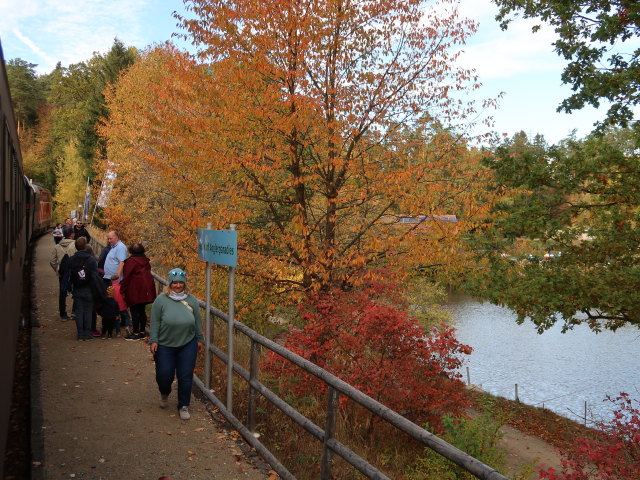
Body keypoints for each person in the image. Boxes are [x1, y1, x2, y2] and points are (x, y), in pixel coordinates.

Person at [149, 269, 204, 420]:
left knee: (186, 375)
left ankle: (184, 405)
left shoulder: (191, 300)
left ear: (185, 283)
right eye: (175, 283)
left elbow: (198, 321)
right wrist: (153, 340)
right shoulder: (161, 300)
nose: (178, 285)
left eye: (181, 282)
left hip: (188, 343)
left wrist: (200, 339)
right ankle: (164, 392)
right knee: (164, 375)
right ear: (170, 283)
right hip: (165, 344)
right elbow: (155, 321)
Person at [121, 243, 156, 341]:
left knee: (134, 310)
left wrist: (122, 289)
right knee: (141, 310)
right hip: (146, 290)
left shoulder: (131, 261)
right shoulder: (146, 261)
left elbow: (126, 276)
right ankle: (142, 332)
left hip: (135, 289)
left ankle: (136, 333)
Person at [67, 237, 99, 340]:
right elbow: (95, 275)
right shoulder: (91, 259)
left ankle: (80, 334)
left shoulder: (71, 259)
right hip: (89, 288)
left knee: (79, 311)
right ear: (85, 246)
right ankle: (88, 333)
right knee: (88, 311)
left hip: (77, 288)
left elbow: (68, 275)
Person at [49, 226, 76, 320]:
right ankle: (74, 313)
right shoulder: (76, 244)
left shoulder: (57, 246)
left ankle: (63, 314)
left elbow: (52, 261)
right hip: (73, 273)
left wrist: (57, 270)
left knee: (62, 292)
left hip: (62, 273)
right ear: (72, 234)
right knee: (76, 291)